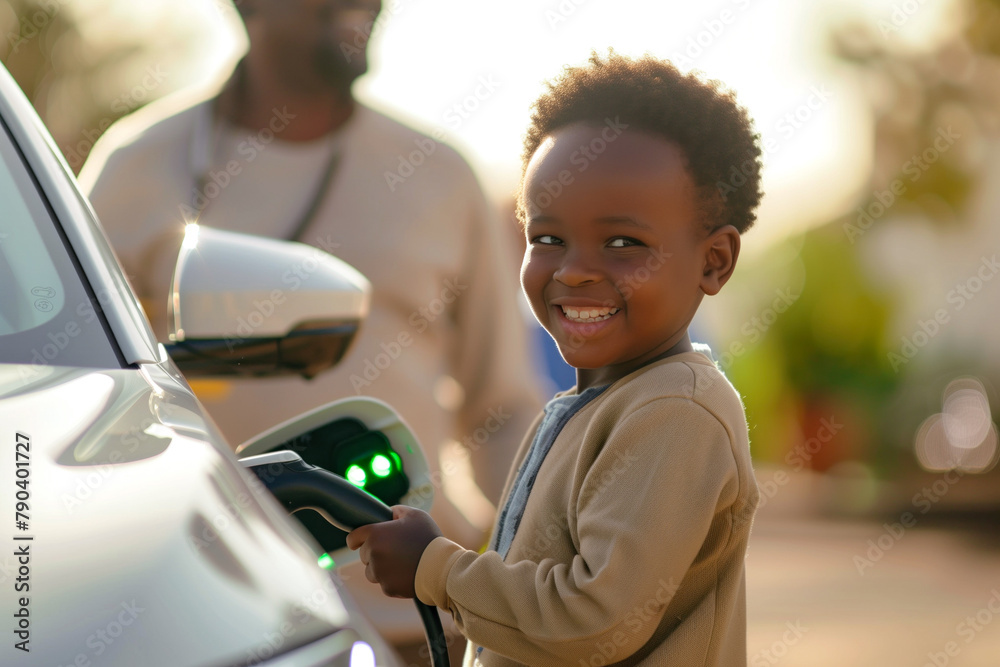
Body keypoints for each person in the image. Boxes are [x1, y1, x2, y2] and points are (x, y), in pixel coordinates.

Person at [79, 0, 546, 660]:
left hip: (415, 629)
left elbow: (500, 408)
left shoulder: (441, 177)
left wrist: (540, 575)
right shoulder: (135, 167)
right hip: (203, 631)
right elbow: (79, 403)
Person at [346, 51, 764, 666]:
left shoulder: (676, 411)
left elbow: (595, 620)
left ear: (713, 262)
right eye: (547, 238)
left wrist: (437, 568)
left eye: (624, 243)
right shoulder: (594, 406)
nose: (574, 270)